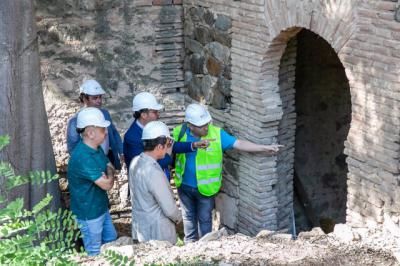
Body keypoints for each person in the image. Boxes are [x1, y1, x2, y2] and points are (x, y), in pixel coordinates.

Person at [173, 103, 283, 243]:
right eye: (201, 126)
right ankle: (190, 248)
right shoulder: (179, 132)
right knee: (188, 217)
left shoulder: (217, 134)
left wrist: (264, 148)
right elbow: (171, 150)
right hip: (184, 186)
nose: (206, 127)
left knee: (205, 219)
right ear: (190, 125)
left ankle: (205, 247)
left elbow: (239, 144)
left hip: (206, 190)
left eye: (207, 123)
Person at [67, 107, 117, 256]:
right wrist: (109, 174)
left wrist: (108, 173)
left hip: (100, 208)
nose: (106, 132)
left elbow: (110, 166)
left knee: (111, 239)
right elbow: (107, 184)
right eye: (103, 129)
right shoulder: (83, 157)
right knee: (94, 251)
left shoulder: (96, 149)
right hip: (89, 213)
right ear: (90, 133)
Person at [123, 92, 208, 178]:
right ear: (144, 115)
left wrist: (194, 145)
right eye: (155, 112)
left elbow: (171, 144)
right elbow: (147, 167)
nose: (158, 115)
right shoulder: (132, 138)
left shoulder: (154, 127)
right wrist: (167, 154)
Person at [129, 121, 182, 244]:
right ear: (159, 146)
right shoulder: (153, 172)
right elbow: (169, 209)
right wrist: (179, 218)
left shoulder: (135, 161)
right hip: (158, 232)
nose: (169, 147)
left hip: (141, 227)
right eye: (168, 144)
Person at [67, 79, 124, 170]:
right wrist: (89, 166)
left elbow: (113, 133)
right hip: (90, 163)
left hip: (107, 157)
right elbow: (73, 149)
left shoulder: (105, 114)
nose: (99, 101)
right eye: (95, 98)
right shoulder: (75, 121)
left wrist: (121, 151)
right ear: (85, 99)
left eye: (100, 97)